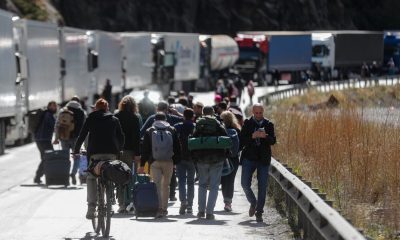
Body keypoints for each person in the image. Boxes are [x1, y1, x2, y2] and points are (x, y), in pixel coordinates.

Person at [73, 98, 125, 219]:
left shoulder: (90, 118)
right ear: (107, 108)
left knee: (91, 178)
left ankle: (91, 208)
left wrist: (76, 150)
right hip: (111, 153)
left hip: (95, 154)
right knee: (110, 173)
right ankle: (110, 202)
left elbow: (82, 135)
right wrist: (119, 149)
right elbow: (121, 137)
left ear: (96, 108)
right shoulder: (114, 119)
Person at [139, 112, 181, 218]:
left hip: (154, 162)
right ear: (166, 119)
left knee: (156, 185)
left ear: (154, 120)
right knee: (166, 186)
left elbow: (145, 149)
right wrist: (175, 162)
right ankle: (164, 209)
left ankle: (158, 208)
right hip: (169, 161)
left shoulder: (150, 130)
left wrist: (143, 164)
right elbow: (177, 147)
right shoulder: (172, 129)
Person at [240, 103, 276, 222]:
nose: (259, 115)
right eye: (256, 113)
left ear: (263, 112)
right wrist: (252, 136)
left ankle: (259, 212)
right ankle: (253, 202)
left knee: (262, 187)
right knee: (245, 184)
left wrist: (265, 136)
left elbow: (273, 141)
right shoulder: (247, 123)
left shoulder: (269, 124)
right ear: (252, 112)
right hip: (249, 158)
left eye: (261, 113)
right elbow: (242, 140)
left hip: (263, 159)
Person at [191, 106, 228, 220]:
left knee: (202, 185)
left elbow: (193, 139)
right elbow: (225, 138)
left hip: (202, 159)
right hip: (217, 159)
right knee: (214, 186)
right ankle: (210, 212)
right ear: (213, 113)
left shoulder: (199, 124)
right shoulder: (218, 124)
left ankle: (201, 211)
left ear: (203, 113)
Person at [114, 96, 141, 213]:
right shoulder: (135, 118)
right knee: (129, 176)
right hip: (130, 151)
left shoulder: (116, 117)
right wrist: (137, 154)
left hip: (118, 151)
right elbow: (136, 138)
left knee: (119, 176)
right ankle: (128, 200)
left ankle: (121, 204)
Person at [53, 96, 86, 185]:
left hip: (64, 137)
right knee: (77, 157)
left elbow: (57, 125)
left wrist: (56, 138)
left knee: (65, 158)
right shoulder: (82, 112)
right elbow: (85, 127)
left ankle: (66, 178)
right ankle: (73, 173)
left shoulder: (63, 111)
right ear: (78, 102)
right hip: (77, 139)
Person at [174, 108, 196, 215]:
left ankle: (183, 201)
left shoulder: (177, 126)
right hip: (192, 158)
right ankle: (190, 206)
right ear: (192, 117)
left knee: (181, 180)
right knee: (191, 182)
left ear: (183, 115)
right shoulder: (195, 126)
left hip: (180, 157)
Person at [220, 111, 241, 212]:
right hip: (234, 158)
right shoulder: (237, 130)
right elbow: (241, 145)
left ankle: (225, 201)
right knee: (230, 180)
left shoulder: (220, 130)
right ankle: (228, 203)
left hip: (223, 158)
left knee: (224, 180)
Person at [34, 101, 58, 184]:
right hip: (43, 140)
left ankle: (41, 177)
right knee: (48, 158)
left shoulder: (47, 114)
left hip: (41, 139)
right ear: (49, 107)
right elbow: (54, 125)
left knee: (45, 158)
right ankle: (39, 177)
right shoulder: (48, 115)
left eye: (56, 106)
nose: (55, 108)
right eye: (54, 106)